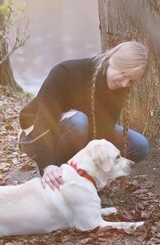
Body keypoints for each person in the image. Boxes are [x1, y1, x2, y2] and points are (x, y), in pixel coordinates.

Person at [18, 41, 150, 190]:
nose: (125, 84)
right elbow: (43, 124)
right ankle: (60, 176)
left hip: (81, 133)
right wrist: (48, 165)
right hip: (35, 135)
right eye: (123, 74)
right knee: (78, 121)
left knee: (140, 145)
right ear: (112, 61)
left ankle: (81, 176)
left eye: (131, 81)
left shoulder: (119, 87)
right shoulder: (65, 72)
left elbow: (103, 133)